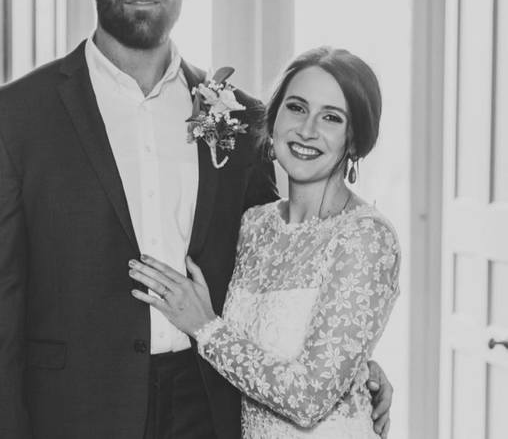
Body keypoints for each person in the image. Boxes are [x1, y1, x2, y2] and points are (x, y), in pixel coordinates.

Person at [0, 0, 392, 439]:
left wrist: (350, 366)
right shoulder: (15, 116)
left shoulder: (243, 119)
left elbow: (280, 274)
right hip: (74, 412)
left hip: (211, 408)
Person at [129, 46, 400, 438]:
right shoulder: (254, 225)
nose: (307, 129)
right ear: (272, 121)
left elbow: (309, 398)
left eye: (331, 117)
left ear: (355, 140)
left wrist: (205, 327)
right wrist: (359, 367)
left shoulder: (366, 237)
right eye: (297, 108)